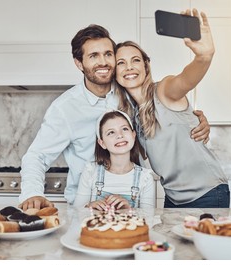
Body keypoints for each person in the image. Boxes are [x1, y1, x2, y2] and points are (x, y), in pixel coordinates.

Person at [19, 24, 210, 210]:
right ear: (79, 63)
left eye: (108, 54)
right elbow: (37, 156)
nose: (103, 62)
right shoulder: (65, 108)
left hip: (132, 203)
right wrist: (32, 193)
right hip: (86, 206)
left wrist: (192, 121)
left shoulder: (130, 92)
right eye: (93, 56)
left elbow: (168, 105)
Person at [114, 9, 229, 208]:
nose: (129, 67)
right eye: (121, 63)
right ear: (115, 73)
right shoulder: (130, 114)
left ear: (146, 66)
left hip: (207, 193)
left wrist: (204, 57)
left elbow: (185, 79)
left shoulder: (164, 90)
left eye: (135, 60)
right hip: (173, 198)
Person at [73, 110, 155, 210]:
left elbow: (149, 220)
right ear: (102, 143)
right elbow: (76, 213)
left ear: (133, 135)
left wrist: (129, 210)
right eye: (111, 132)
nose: (120, 135)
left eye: (124, 129)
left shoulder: (145, 178)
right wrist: (88, 207)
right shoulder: (90, 171)